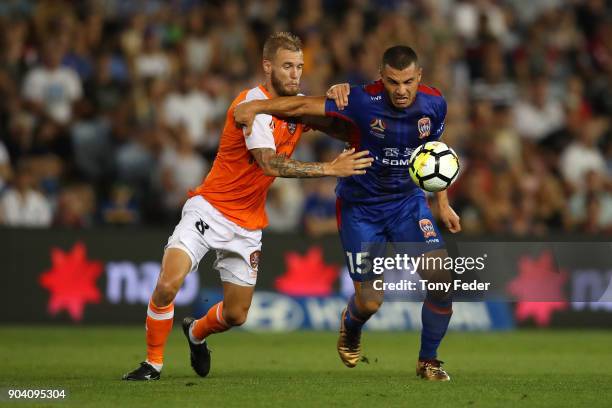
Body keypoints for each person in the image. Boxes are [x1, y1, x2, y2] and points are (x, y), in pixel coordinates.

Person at [122, 32, 372, 381]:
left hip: (248, 224)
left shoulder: (296, 106)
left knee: (237, 314)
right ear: (267, 66)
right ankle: (152, 363)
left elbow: (342, 127)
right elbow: (269, 164)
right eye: (287, 66)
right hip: (209, 209)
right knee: (168, 283)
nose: (295, 74)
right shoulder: (251, 106)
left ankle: (195, 333)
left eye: (299, 67)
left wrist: (344, 95)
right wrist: (330, 169)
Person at [235, 45, 462, 381]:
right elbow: (301, 105)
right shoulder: (360, 100)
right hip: (361, 209)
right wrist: (257, 106)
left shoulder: (435, 104)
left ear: (419, 77)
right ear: (381, 78)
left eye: (408, 82)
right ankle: (351, 324)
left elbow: (434, 155)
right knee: (370, 302)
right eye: (393, 82)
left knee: (441, 279)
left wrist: (441, 204)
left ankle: (428, 360)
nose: (401, 90)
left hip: (407, 204)